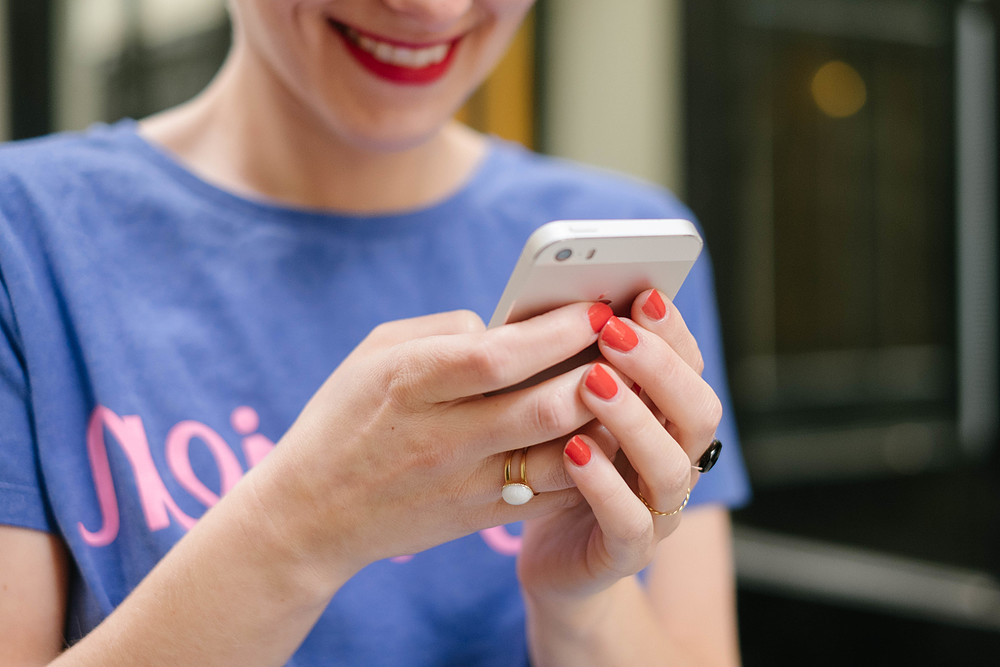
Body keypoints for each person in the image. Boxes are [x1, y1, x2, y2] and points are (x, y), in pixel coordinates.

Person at [0, 1, 750, 664]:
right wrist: (302, 526)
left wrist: (580, 605)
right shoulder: (28, 234)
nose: (432, 9)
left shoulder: (627, 240)